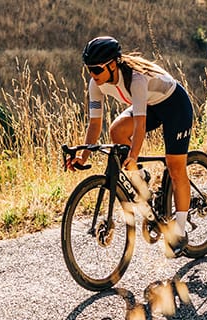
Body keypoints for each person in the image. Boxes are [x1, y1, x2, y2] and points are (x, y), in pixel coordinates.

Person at [64, 36, 194, 257]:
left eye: (96, 69)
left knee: (175, 166)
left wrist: (133, 155)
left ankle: (179, 231)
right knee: (117, 131)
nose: (92, 75)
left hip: (175, 106)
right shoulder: (96, 84)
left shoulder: (136, 80)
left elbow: (140, 124)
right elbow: (95, 123)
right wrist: (84, 157)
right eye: (88, 70)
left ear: (112, 64)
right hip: (150, 105)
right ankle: (141, 178)